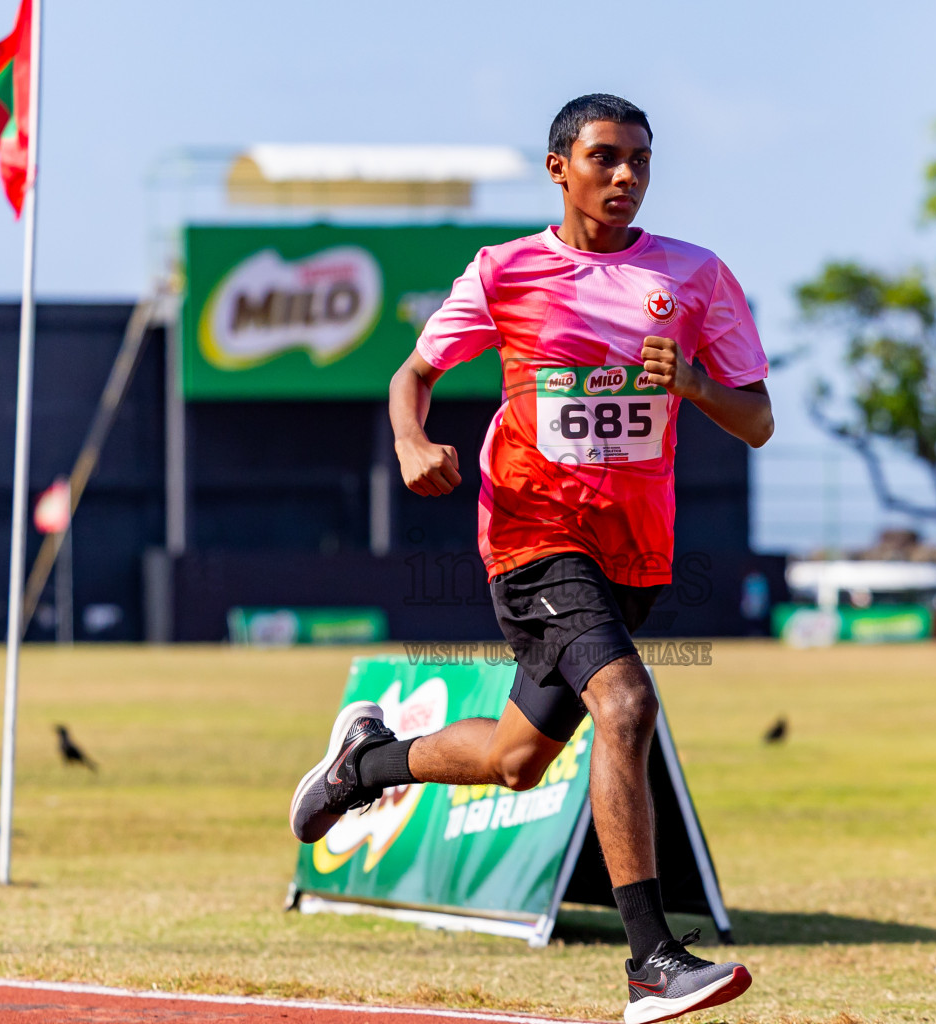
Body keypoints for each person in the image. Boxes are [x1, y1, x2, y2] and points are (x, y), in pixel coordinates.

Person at [289, 93, 773, 1024]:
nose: (625, 175)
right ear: (559, 167)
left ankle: (365, 764)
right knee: (626, 703)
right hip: (532, 533)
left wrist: (700, 383)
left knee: (517, 759)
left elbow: (757, 420)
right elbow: (414, 374)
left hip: (636, 550)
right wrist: (409, 443)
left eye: (640, 159)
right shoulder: (506, 271)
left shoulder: (696, 275)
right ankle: (652, 964)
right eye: (604, 158)